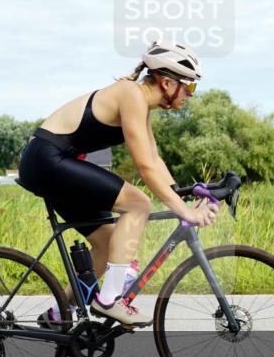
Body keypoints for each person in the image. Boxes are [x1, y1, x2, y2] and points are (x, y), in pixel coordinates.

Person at [17, 41, 219, 328]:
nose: (190, 94)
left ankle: (58, 314)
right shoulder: (131, 94)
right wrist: (185, 212)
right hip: (47, 160)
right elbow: (144, 167)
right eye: (190, 86)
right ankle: (110, 300)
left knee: (108, 244)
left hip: (53, 163)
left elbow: (155, 159)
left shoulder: (140, 105)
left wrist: (183, 197)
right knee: (138, 204)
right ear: (166, 82)